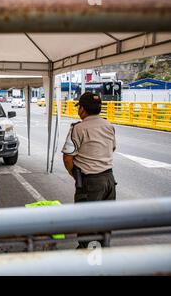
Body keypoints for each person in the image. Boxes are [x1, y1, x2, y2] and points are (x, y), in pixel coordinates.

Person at [62, 92, 117, 248]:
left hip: (90, 182)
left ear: (83, 109)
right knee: (105, 222)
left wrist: (76, 176)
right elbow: (111, 149)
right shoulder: (109, 126)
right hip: (109, 180)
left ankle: (89, 259)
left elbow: (67, 158)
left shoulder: (78, 128)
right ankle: (103, 254)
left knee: (87, 224)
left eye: (79, 106)